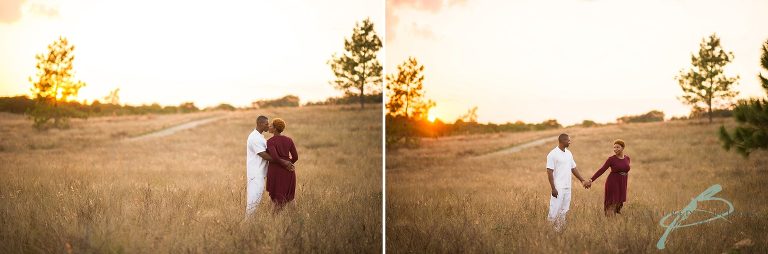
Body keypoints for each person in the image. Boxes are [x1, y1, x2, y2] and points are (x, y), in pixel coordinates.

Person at [245, 116, 293, 218]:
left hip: (261, 173)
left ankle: (252, 223)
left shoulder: (260, 137)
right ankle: (248, 223)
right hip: (255, 174)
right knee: (253, 201)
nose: (268, 125)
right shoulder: (254, 138)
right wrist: (284, 162)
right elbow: (264, 155)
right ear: (260, 124)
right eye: (267, 124)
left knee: (257, 199)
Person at [546, 133, 589, 231]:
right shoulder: (552, 154)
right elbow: (549, 172)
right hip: (558, 187)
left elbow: (573, 168)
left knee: (564, 210)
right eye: (568, 140)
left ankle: (559, 230)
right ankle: (548, 230)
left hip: (567, 186)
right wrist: (553, 188)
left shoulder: (569, 153)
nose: (570, 142)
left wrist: (582, 180)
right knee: (554, 209)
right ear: (562, 141)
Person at [584, 139, 631, 216]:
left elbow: (625, 169)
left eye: (617, 147)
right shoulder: (611, 159)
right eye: (614, 147)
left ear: (623, 148)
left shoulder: (627, 158)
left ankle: (613, 222)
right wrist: (591, 179)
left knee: (619, 203)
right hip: (613, 183)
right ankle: (610, 222)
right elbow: (602, 170)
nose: (615, 149)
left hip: (622, 183)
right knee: (612, 203)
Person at [265, 118, 299, 210]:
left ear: (275, 129)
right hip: (289, 172)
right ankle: (294, 216)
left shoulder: (270, 141)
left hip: (276, 171)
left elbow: (275, 157)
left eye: (271, 126)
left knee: (276, 196)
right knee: (290, 197)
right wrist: (289, 164)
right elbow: (295, 157)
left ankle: (274, 219)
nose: (269, 127)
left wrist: (285, 164)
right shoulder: (289, 140)